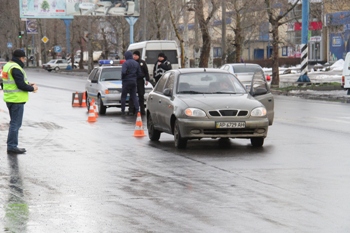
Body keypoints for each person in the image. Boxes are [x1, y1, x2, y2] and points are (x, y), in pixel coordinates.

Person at [2, 49, 38, 154]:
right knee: (15, 124)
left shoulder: (8, 66)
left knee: (14, 123)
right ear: (20, 58)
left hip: (10, 98)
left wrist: (28, 83)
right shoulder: (15, 68)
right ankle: (12, 146)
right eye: (24, 58)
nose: (24, 60)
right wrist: (32, 89)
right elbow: (20, 85)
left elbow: (11, 82)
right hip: (16, 100)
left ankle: (11, 145)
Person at [128, 50, 150, 116]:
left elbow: (146, 71)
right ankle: (131, 110)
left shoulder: (142, 63)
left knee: (141, 95)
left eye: (136, 55)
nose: (134, 56)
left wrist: (147, 79)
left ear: (138, 56)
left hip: (140, 80)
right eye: (133, 55)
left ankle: (142, 110)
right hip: (132, 80)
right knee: (132, 96)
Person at [121, 50, 142, 116]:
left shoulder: (125, 63)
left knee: (123, 96)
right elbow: (139, 73)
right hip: (133, 81)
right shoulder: (136, 63)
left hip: (126, 81)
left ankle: (123, 111)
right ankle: (137, 110)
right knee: (134, 96)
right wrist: (134, 77)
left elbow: (123, 72)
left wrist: (123, 78)